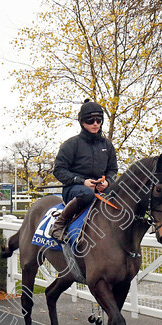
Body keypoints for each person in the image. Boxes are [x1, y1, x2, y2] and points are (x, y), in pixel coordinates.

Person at [50, 99, 118, 241]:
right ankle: (59, 225)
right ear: (82, 122)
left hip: (100, 189)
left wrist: (108, 182)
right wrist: (82, 181)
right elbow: (59, 170)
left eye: (98, 120)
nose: (95, 124)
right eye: (90, 120)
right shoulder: (71, 144)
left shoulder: (108, 145)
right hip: (76, 189)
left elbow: (112, 169)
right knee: (87, 193)